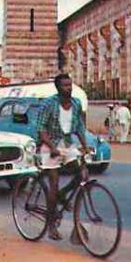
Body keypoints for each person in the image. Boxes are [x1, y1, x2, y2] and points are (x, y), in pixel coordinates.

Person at [37, 73, 90, 242]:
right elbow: (41, 129)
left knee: (82, 173)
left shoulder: (76, 103)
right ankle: (51, 224)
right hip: (50, 144)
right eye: (65, 86)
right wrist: (52, 147)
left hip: (66, 144)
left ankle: (62, 195)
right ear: (58, 88)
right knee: (53, 183)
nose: (69, 88)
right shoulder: (49, 104)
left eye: (70, 85)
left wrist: (85, 145)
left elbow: (79, 128)